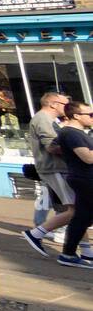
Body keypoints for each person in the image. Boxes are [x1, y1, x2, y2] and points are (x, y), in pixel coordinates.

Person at [22, 92, 93, 258]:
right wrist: (75, 149)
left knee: (79, 211)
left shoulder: (52, 122)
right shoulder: (43, 119)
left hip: (61, 168)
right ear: (53, 104)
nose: (66, 107)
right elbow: (52, 147)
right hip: (54, 168)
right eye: (64, 104)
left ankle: (86, 250)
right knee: (76, 210)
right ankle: (37, 233)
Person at [54, 100, 93, 268]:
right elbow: (88, 157)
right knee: (82, 217)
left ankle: (68, 254)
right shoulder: (71, 133)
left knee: (82, 217)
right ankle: (68, 254)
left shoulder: (79, 133)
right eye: (90, 115)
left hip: (84, 178)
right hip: (85, 179)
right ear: (76, 116)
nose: (92, 118)